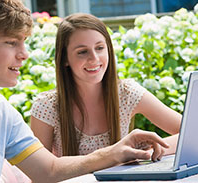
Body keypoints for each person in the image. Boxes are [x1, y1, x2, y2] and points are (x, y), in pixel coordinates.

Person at [0, 1, 170, 182]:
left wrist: (117, 152)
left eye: (24, 42)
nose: (24, 54)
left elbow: (48, 170)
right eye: (11, 42)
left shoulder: (0, 111)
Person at [30, 13, 182, 158]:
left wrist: (148, 152)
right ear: (65, 59)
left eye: (100, 48)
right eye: (82, 52)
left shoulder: (127, 93)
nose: (94, 58)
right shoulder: (47, 107)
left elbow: (194, 132)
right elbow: (40, 174)